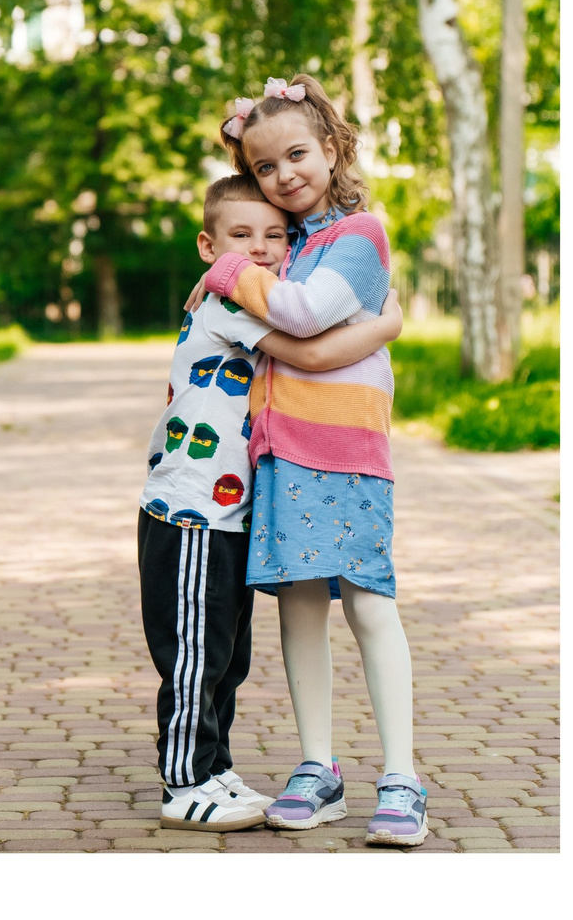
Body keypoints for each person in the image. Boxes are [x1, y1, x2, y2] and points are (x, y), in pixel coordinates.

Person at [202, 76, 425, 846]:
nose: (284, 175)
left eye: (297, 154)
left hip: (348, 450)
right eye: (264, 166)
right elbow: (292, 337)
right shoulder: (285, 245)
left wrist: (231, 276)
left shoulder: (361, 232)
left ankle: (401, 775)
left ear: (330, 148)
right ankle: (319, 767)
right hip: (280, 452)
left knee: (367, 599)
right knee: (298, 605)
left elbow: (305, 327)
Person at [141, 174, 403, 831]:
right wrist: (389, 322)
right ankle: (185, 781)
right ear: (210, 244)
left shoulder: (253, 295)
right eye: (239, 237)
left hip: (229, 510)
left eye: (273, 237)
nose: (257, 250)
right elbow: (313, 350)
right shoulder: (231, 305)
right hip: (192, 507)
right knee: (195, 651)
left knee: (227, 651)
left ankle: (216, 761)